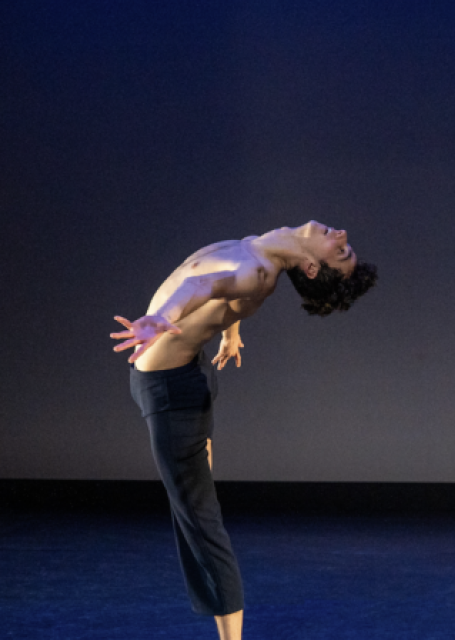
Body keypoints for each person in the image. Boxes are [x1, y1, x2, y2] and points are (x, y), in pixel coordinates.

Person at [110, 222, 377, 640]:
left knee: (200, 522)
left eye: (340, 250)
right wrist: (230, 331)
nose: (341, 234)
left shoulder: (257, 272)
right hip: (181, 377)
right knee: (195, 504)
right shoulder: (261, 251)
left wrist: (161, 318)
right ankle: (198, 452)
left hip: (172, 394)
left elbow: (203, 284)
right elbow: (225, 293)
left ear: (311, 267)